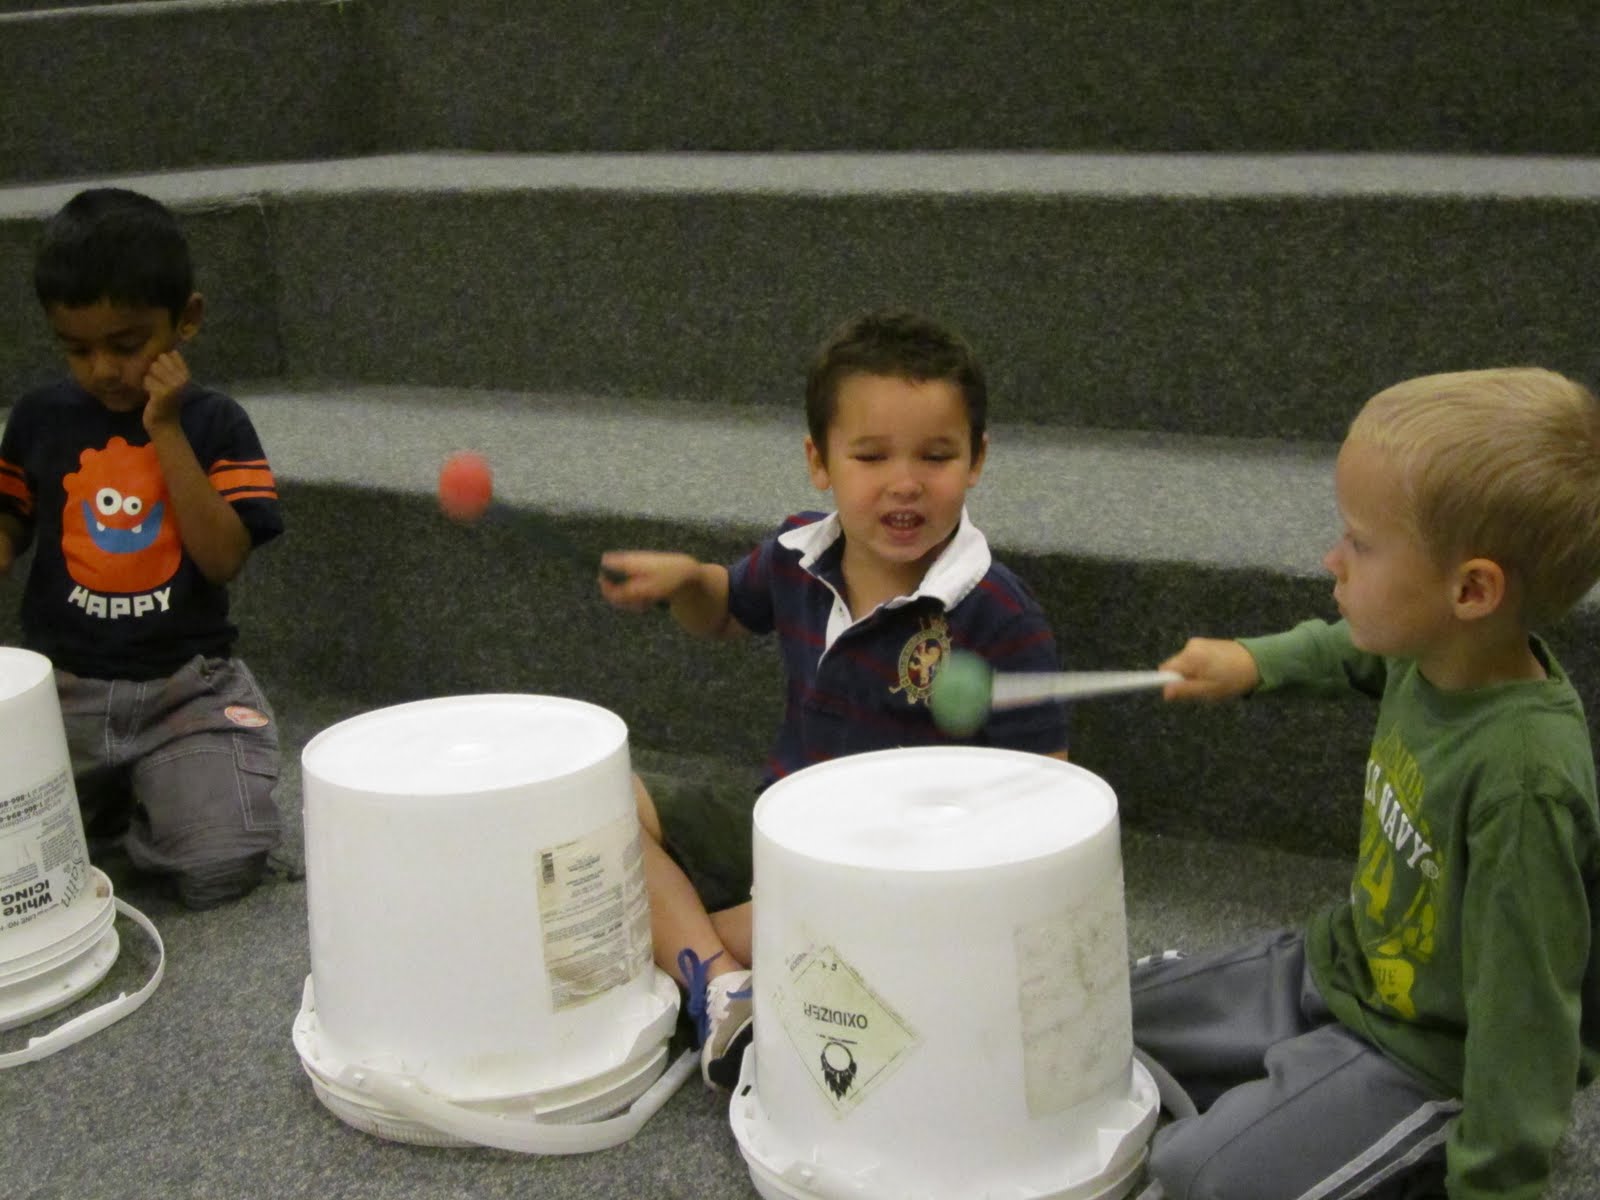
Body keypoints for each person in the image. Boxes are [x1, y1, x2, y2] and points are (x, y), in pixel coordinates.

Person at [1139, 367, 1600, 1200]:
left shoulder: (1525, 784)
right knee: (1106, 1012)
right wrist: (1255, 663)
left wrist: (1498, 1179)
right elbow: (1354, 648)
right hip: (1340, 965)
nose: (1331, 559)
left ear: (1471, 589)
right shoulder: (1433, 652)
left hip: (1428, 1053)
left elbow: (1524, 1018)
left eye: (1360, 542)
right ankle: (1289, 1093)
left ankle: (1389, 1139)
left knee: (1199, 1178)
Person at [599, 308, 1070, 1086]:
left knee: (633, 931)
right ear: (820, 462)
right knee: (607, 803)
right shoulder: (795, 555)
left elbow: (1048, 792)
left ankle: (704, 965)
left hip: (884, 882)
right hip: (778, 822)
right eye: (871, 455)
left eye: (938, 455)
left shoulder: (997, 613)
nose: (906, 482)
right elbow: (722, 607)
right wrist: (687, 580)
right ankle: (725, 983)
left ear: (978, 459)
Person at [0, 188, 285, 910]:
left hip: (184, 690)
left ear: (185, 320)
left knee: (222, 866)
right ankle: (115, 800)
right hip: (60, 693)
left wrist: (165, 428)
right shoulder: (38, 417)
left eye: (126, 346)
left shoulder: (216, 422)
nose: (102, 369)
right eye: (77, 348)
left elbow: (223, 558)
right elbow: (8, 528)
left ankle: (133, 798)